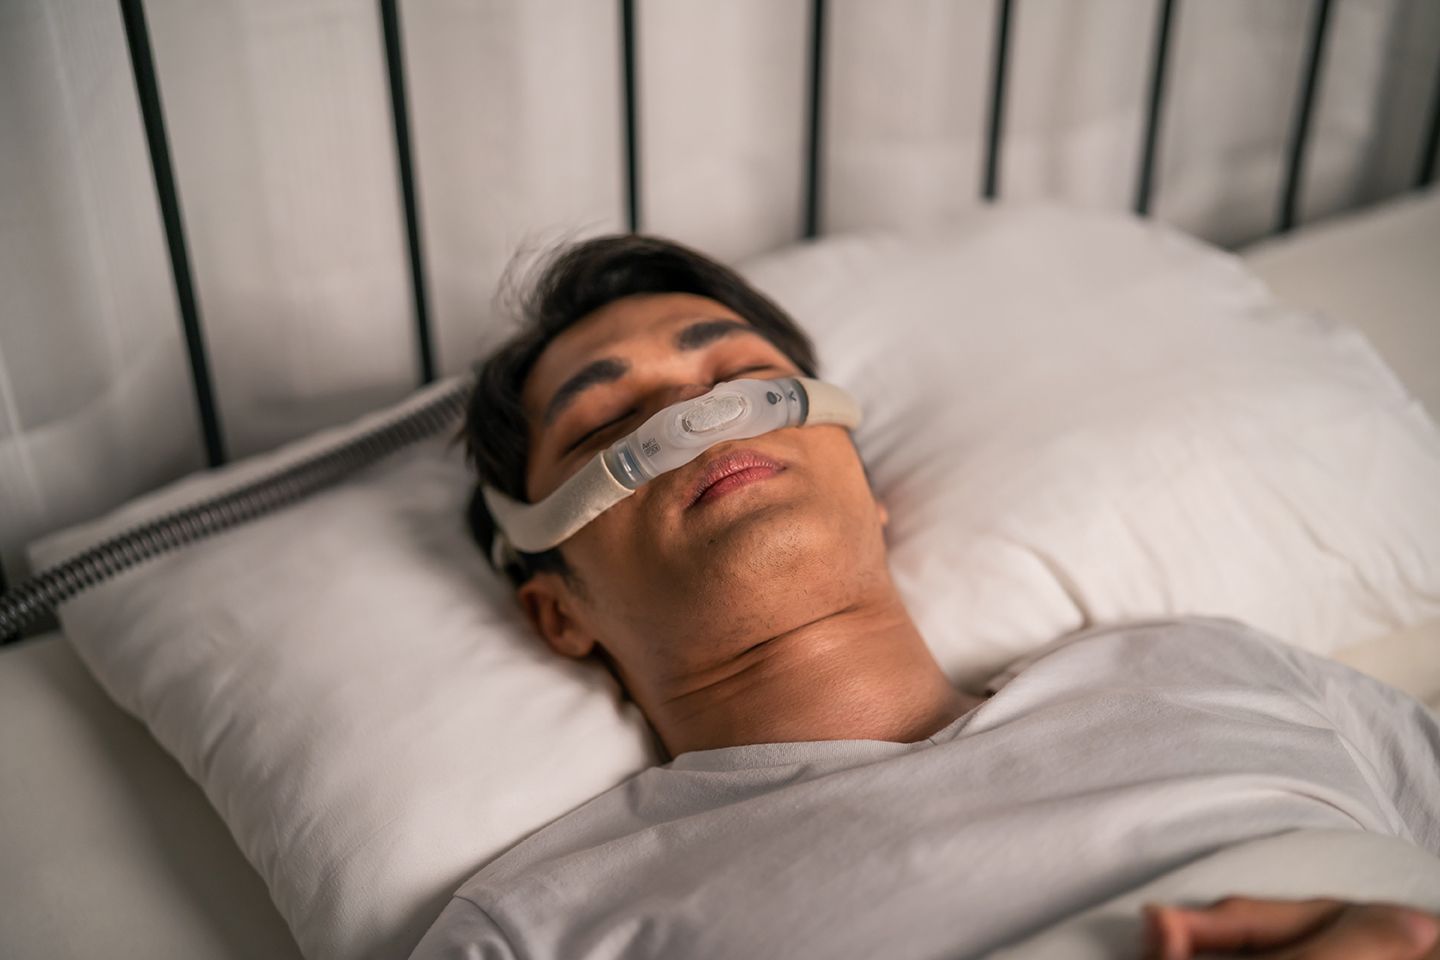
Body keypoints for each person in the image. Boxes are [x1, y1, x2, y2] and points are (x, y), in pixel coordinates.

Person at [411, 234, 1440, 959]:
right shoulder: (546, 928)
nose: (705, 415)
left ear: (867, 485)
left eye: (745, 376)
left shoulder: (1215, 669)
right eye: (606, 427)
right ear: (559, 610)